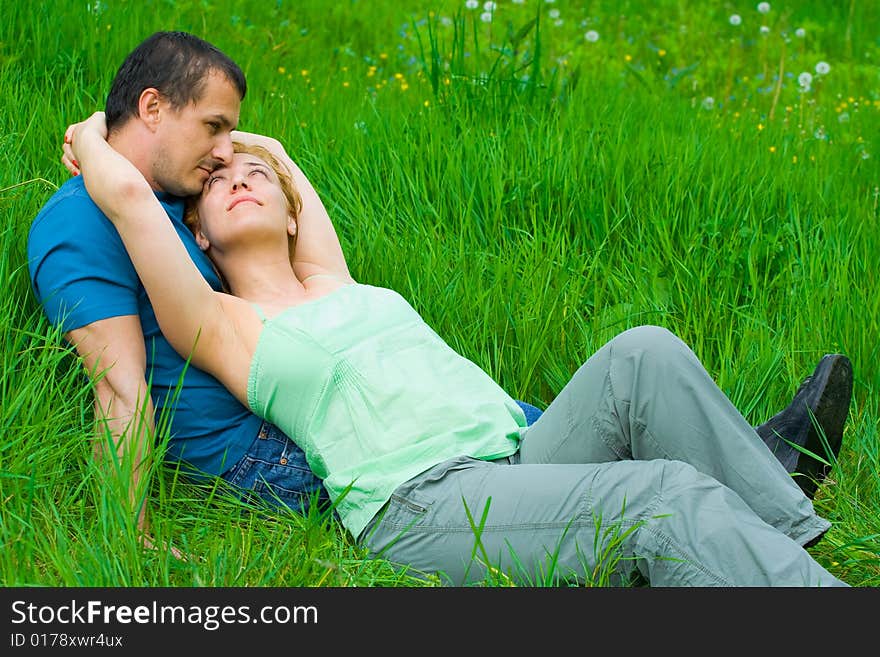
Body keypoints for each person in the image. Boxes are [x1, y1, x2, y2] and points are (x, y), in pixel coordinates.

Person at [29, 31, 848, 561]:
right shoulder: (222, 322)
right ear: (196, 236)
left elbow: (283, 175)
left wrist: (258, 149)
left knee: (645, 351)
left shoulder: (335, 281)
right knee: (663, 495)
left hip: (514, 452)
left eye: (252, 171)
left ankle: (793, 540)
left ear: (289, 208)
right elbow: (134, 207)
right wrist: (92, 138)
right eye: (218, 160)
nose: (233, 172)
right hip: (423, 497)